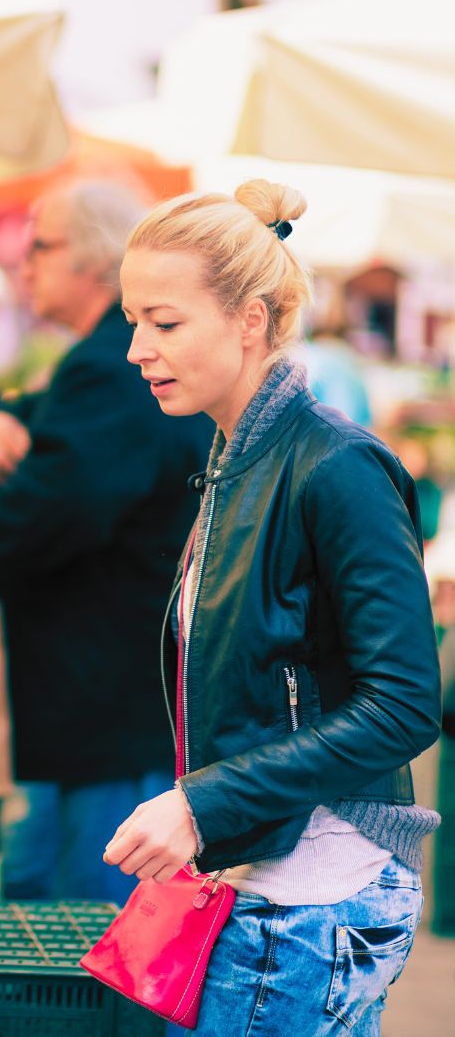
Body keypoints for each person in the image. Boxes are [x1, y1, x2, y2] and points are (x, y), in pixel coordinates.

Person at [104, 180, 441, 1034]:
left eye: (165, 322)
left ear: (250, 319)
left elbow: (404, 703)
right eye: (134, 320)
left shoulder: (336, 467)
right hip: (263, 882)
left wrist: (201, 805)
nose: (139, 348)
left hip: (311, 901)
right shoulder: (234, 459)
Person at [0, 182, 213, 904]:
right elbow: (63, 451)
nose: (24, 265)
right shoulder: (104, 359)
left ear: (92, 261)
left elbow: (53, 508)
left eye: (39, 247)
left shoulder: (111, 362)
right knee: (43, 892)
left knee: (90, 924)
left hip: (108, 698)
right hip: (100, 697)